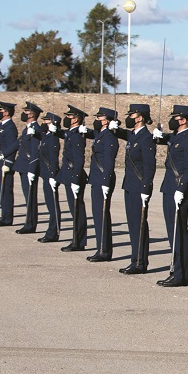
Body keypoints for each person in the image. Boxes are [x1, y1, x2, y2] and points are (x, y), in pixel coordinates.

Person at [153, 105, 188, 288]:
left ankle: (180, 274)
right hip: (169, 188)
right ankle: (175, 271)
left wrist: (181, 188)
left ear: (184, 120)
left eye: (176, 117)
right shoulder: (176, 137)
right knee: (172, 233)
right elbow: (168, 140)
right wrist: (159, 136)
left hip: (179, 191)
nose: (172, 120)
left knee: (178, 232)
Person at [116, 103, 157, 274]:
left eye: (132, 115)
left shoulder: (146, 138)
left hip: (139, 187)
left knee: (139, 225)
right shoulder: (134, 135)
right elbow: (123, 134)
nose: (129, 118)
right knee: (132, 224)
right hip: (130, 185)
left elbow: (149, 166)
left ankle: (140, 262)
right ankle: (135, 259)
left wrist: (146, 189)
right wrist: (115, 128)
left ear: (140, 117)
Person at [86, 108, 120, 263]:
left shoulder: (110, 137)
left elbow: (109, 161)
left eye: (100, 117)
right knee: (97, 214)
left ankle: (104, 251)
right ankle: (100, 247)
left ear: (107, 120)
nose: (97, 120)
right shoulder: (101, 134)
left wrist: (106, 181)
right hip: (96, 179)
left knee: (102, 215)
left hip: (103, 179)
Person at [58, 105, 89, 252]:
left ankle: (79, 241)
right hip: (68, 174)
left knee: (77, 209)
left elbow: (78, 159)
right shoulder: (71, 133)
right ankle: (76, 238)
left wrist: (76, 179)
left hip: (74, 176)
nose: (66, 119)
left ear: (76, 119)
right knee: (73, 209)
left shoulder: (77, 135)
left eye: (69, 117)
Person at [13, 102, 42, 234]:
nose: (23, 114)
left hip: (29, 168)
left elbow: (36, 151)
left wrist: (32, 169)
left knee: (30, 197)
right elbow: (17, 144)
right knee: (27, 196)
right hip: (23, 167)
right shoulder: (27, 129)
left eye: (26, 112)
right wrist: (2, 155)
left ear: (32, 114)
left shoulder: (36, 129)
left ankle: (30, 224)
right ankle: (29, 222)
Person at [0, 101, 19, 227]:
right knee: (1, 191)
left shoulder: (10, 127)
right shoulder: (1, 126)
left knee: (6, 191)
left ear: (6, 112)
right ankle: (3, 216)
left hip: (4, 164)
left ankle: (7, 218)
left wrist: (8, 162)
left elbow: (12, 146)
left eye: (1, 110)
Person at [36, 113, 63, 244]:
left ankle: (53, 232)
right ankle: (51, 230)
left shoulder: (52, 138)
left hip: (50, 174)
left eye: (46, 121)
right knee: (48, 203)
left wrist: (53, 175)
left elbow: (53, 159)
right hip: (45, 174)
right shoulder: (46, 136)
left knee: (52, 205)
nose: (44, 123)